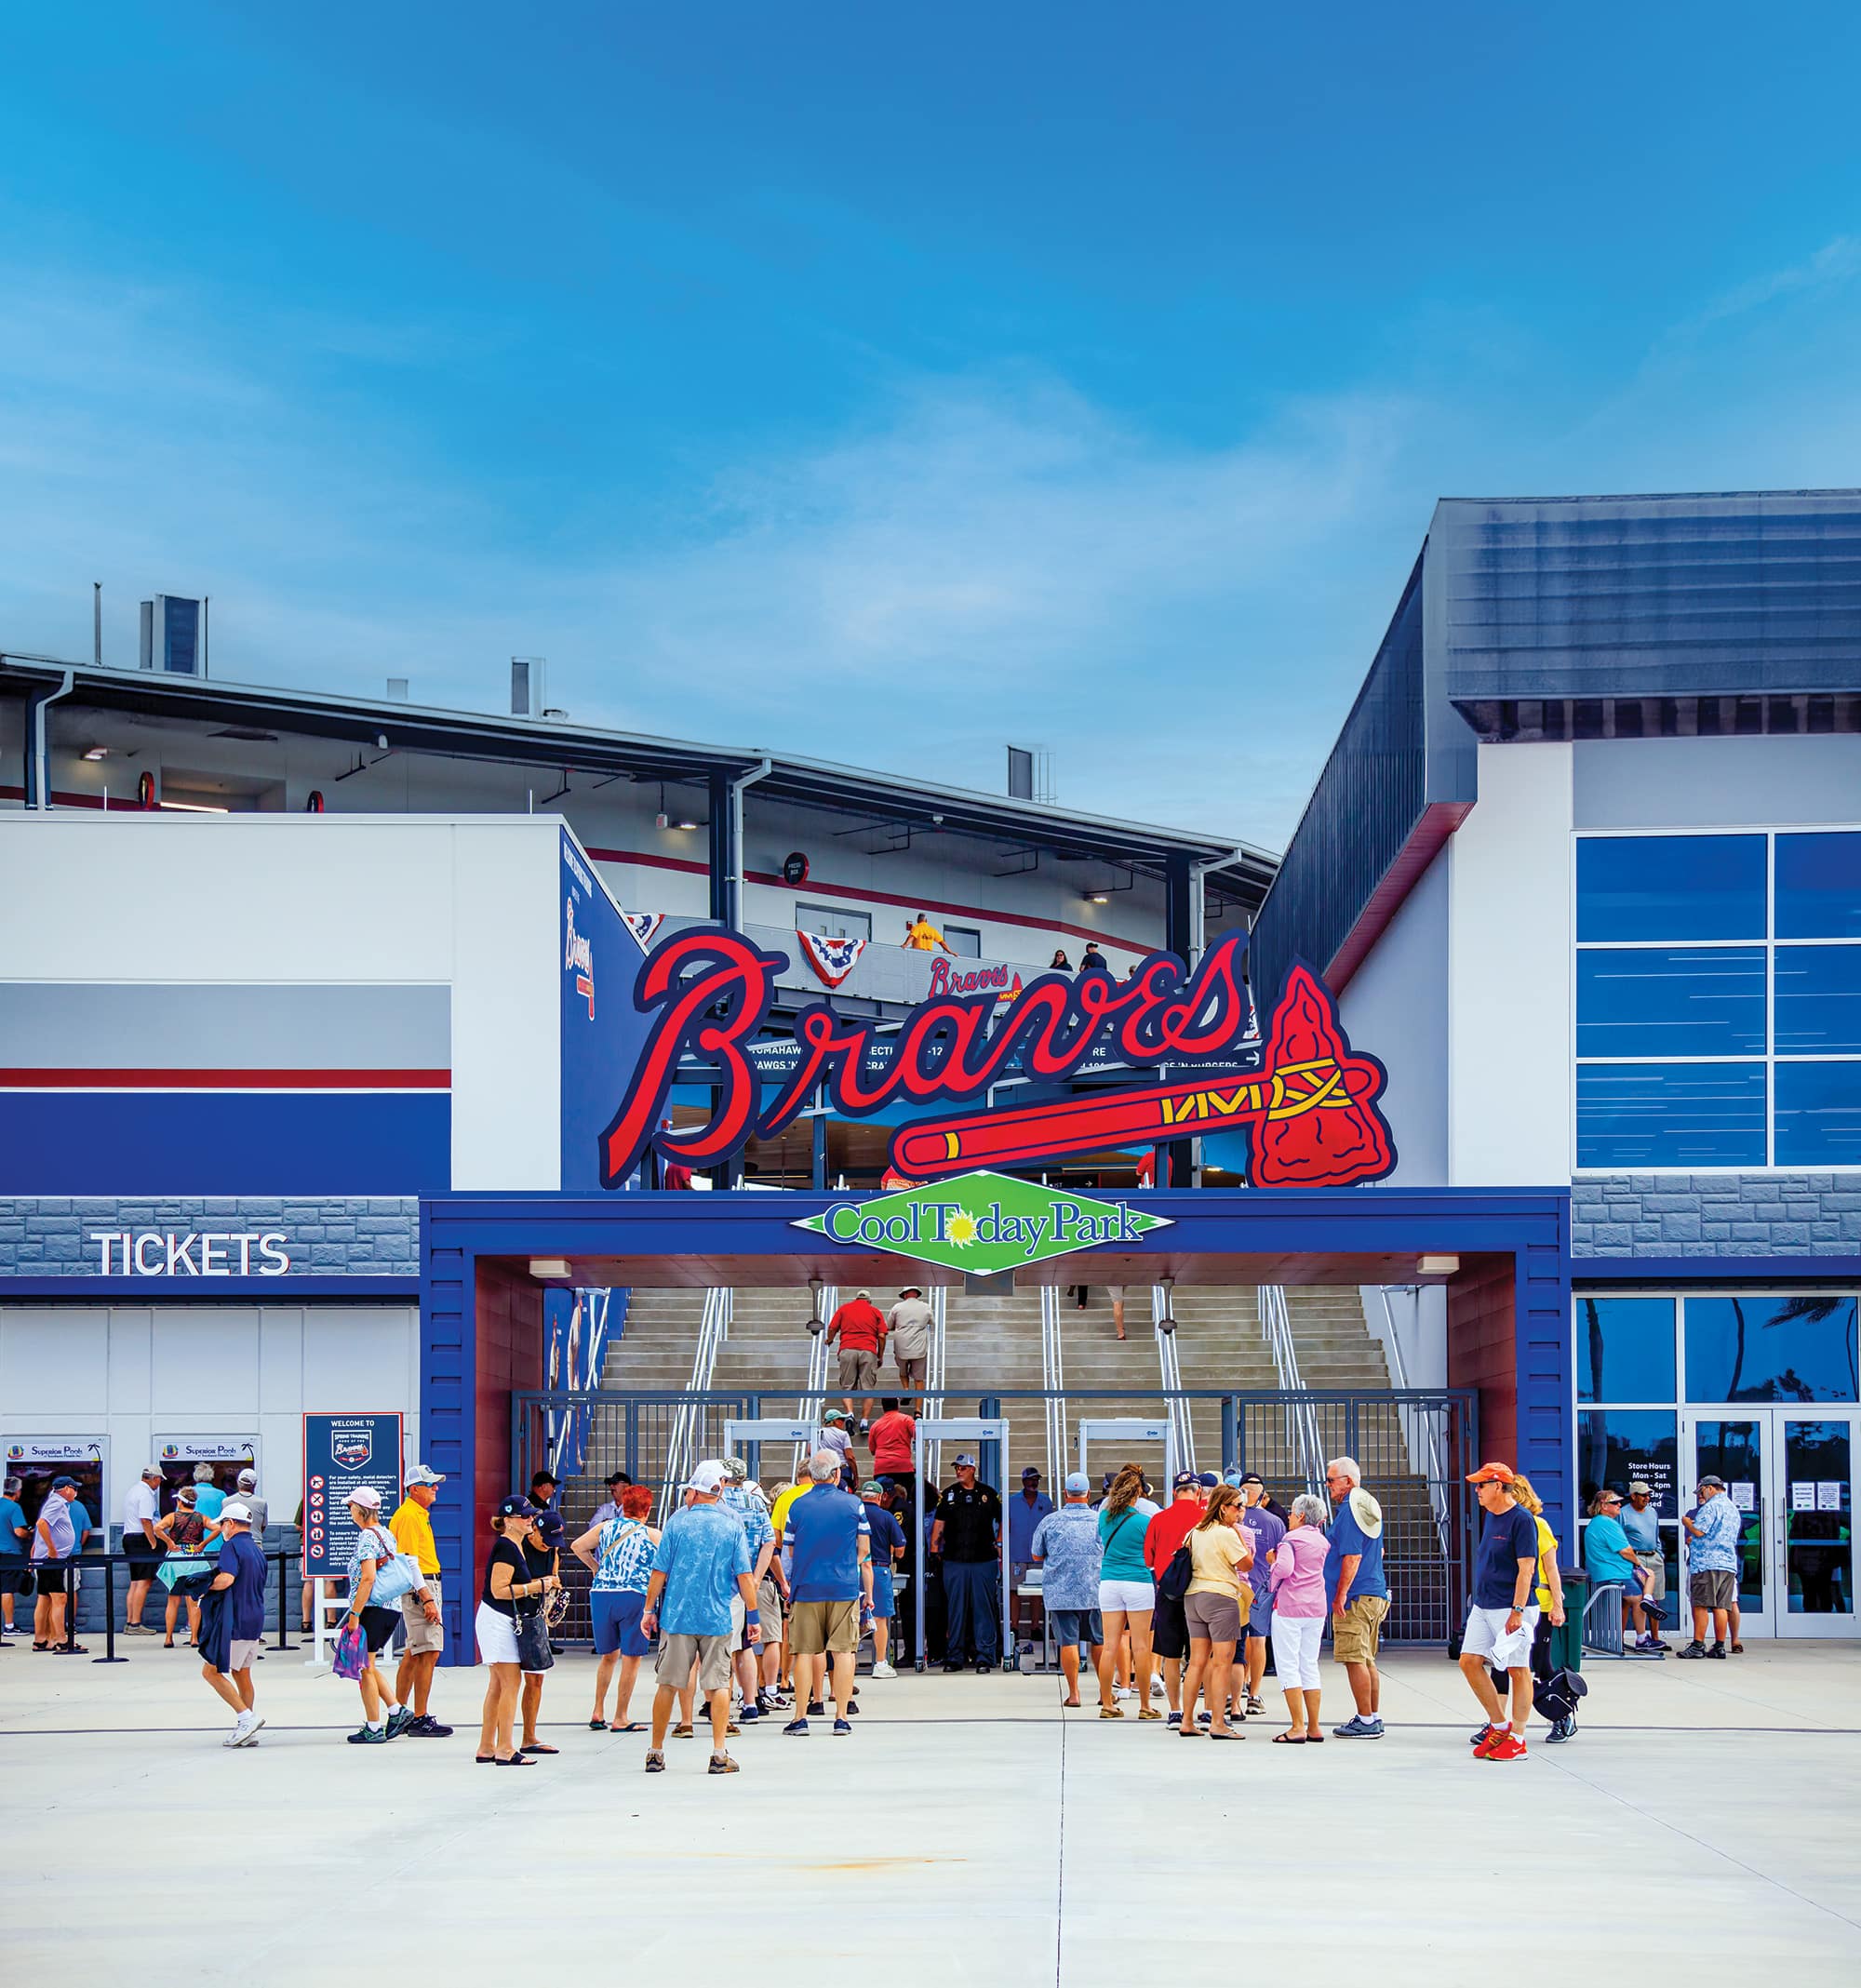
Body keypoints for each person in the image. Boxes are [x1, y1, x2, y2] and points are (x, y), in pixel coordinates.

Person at [640, 1461, 760, 1775]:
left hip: (678, 1617)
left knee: (667, 1683)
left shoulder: (676, 1524)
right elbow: (745, 1576)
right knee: (719, 1684)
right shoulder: (732, 1527)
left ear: (695, 1492)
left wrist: (649, 1609)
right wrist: (754, 1614)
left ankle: (656, 1752)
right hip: (717, 1617)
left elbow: (659, 1571)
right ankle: (719, 1754)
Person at [783, 1452, 873, 1736]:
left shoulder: (797, 1506)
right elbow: (864, 1549)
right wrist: (849, 1566)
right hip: (843, 1587)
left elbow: (792, 1550)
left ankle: (800, 1716)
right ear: (835, 1474)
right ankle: (842, 1716)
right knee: (844, 1651)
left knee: (805, 1652)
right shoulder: (853, 1504)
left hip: (807, 1586)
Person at [1459, 1463, 1543, 1760]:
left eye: (1481, 1485)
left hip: (1512, 1606)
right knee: (1469, 1661)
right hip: (1485, 1604)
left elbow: (1527, 1568)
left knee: (1518, 1671)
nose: (1477, 1491)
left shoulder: (1521, 1520)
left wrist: (1517, 1611)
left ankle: (1518, 1739)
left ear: (1498, 1486)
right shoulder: (1491, 1517)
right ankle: (1499, 1725)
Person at [341, 1484, 435, 1743]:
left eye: (351, 1507)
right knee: (368, 1665)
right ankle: (396, 1710)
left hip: (372, 1608)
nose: (349, 1511)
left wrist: (354, 1613)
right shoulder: (386, 1534)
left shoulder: (366, 1537)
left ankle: (374, 1726)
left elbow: (368, 1578)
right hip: (390, 1608)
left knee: (364, 1668)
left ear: (359, 1510)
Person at [571, 1483, 659, 1731]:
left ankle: (598, 1711)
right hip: (633, 1595)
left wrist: (595, 1567)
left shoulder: (605, 1527)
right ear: (647, 1509)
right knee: (631, 1658)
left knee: (608, 1656)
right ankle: (621, 1716)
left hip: (601, 1595)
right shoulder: (652, 1535)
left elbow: (577, 1546)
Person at [475, 1497, 555, 1766]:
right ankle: (505, 1748)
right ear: (508, 1520)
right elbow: (498, 1589)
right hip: (498, 1619)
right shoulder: (506, 1548)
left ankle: (487, 1746)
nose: (531, 1519)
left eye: (531, 1515)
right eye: (525, 1516)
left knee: (497, 1685)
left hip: (498, 1619)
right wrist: (537, 1586)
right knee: (510, 1683)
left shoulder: (514, 1546)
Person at [1178, 1483, 1252, 1739]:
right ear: (1223, 1508)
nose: (1240, 1511)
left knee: (1196, 1662)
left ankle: (1186, 1720)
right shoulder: (1226, 1533)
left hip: (1194, 1597)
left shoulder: (1195, 1531)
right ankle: (1218, 1722)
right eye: (1237, 1506)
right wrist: (1238, 1533)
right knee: (1222, 1662)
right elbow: (1247, 1563)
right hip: (1221, 1597)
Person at [1325, 1456, 1389, 1738]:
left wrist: (1340, 1595)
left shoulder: (1349, 1513)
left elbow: (1352, 1556)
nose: (1327, 1485)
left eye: (1331, 1480)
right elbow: (1380, 1552)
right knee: (1367, 1659)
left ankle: (1365, 1720)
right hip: (1373, 1592)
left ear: (1347, 1481)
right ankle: (1371, 1716)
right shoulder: (1366, 1509)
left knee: (1354, 1659)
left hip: (1356, 1597)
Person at [387, 1463, 451, 1737]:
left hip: (422, 1584)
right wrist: (426, 1597)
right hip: (422, 1585)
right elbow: (410, 1560)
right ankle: (420, 1717)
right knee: (429, 1651)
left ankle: (400, 1712)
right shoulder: (411, 1516)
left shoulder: (416, 1513)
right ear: (414, 1489)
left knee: (415, 1652)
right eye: (430, 1484)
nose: (435, 1488)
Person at [196, 1500, 267, 1747]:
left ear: (230, 1523)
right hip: (255, 1617)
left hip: (235, 1617)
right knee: (242, 1673)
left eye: (223, 1523)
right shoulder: (257, 1549)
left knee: (211, 1671)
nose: (222, 1529)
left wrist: (204, 1588)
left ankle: (246, 1717)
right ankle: (248, 1728)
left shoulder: (231, 1547)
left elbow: (226, 1579)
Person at [1030, 1473, 1104, 1706]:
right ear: (1088, 1494)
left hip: (1061, 1591)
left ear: (1065, 1494)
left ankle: (1074, 1694)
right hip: (1095, 1589)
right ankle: (1105, 1693)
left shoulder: (1050, 1521)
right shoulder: (1100, 1520)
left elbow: (1036, 1554)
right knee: (1099, 1640)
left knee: (1069, 1642)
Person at [1509, 1474, 1573, 1741]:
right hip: (1514, 1604)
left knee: (1540, 1662)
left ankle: (1562, 1715)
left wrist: (1557, 1604)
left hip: (1541, 1604)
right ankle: (1498, 1722)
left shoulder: (1537, 1525)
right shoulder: (1506, 1524)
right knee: (1504, 1663)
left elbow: (1551, 1568)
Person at [1094, 1462, 1159, 1718]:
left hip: (1109, 1582)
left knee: (1110, 1645)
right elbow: (1152, 1555)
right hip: (1138, 1581)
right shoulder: (1145, 1521)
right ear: (1137, 1494)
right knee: (1141, 1646)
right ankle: (1144, 1705)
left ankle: (1107, 1703)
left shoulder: (1103, 1517)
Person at [1268, 1493, 1332, 1742]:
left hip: (1290, 1607)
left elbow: (1284, 1569)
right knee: (1309, 1664)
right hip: (1316, 1607)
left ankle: (1297, 1726)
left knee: (1288, 1665)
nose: (1289, 1517)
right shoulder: (1321, 1541)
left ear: (1301, 1515)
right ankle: (1314, 1726)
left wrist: (1273, 1566)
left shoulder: (1290, 1540)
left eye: (1292, 1513)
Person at [930, 1453, 1003, 1672]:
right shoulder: (949, 1494)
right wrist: (934, 1550)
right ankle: (955, 1656)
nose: (958, 1471)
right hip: (955, 1560)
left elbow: (1003, 1520)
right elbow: (939, 1524)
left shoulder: (988, 1494)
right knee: (955, 1610)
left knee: (984, 1609)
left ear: (972, 1469)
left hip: (983, 1560)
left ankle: (985, 1656)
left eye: (962, 1467)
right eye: (957, 1467)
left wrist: (999, 1545)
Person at [1144, 1472, 1206, 1722]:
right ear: (1198, 1491)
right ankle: (1203, 1710)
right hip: (1199, 1591)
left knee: (1170, 1655)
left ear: (1173, 1492)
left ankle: (1175, 1710)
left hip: (1168, 1593)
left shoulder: (1158, 1519)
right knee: (1200, 1656)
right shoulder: (1205, 1518)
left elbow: (1148, 1559)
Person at [719, 1456, 777, 1719]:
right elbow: (769, 1542)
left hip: (723, 1586)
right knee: (746, 1647)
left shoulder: (717, 1503)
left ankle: (723, 1705)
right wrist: (755, 1578)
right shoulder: (755, 1502)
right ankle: (751, 1703)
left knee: (724, 1648)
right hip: (749, 1585)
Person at [517, 1485, 563, 1751]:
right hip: (514, 1615)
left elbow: (553, 1577)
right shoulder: (519, 1547)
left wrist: (553, 1589)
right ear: (534, 1529)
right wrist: (543, 1583)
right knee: (508, 1681)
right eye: (545, 1540)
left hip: (536, 1616)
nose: (549, 1546)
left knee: (536, 1677)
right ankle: (499, 1739)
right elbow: (513, 1583)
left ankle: (529, 1736)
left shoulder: (552, 1549)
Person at [1680, 1474, 1742, 1659]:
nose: (1701, 1495)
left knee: (1700, 1604)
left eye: (1701, 1491)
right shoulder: (1732, 1508)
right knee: (1721, 1606)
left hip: (1707, 1563)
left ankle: (1698, 1645)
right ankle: (1720, 1646)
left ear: (1710, 1488)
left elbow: (1699, 1531)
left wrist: (1687, 1524)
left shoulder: (1711, 1507)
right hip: (1727, 1563)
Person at [1238, 1474, 1286, 1716]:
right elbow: (1281, 1558)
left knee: (1232, 1643)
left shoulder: (1230, 1519)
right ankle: (1254, 1695)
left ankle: (1233, 1696)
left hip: (1234, 1588)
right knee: (1258, 1641)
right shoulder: (1274, 1521)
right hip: (1261, 1589)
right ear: (1262, 1494)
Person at [1583, 1489, 1655, 1645]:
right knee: (1637, 1599)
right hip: (1616, 1573)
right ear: (1603, 1505)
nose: (1619, 1505)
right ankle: (1642, 1638)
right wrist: (1637, 1563)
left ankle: (1648, 1600)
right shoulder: (1607, 1523)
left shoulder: (1596, 1522)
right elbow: (1625, 1550)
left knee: (1649, 1575)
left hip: (1606, 1572)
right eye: (1614, 1503)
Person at [151, 1486, 209, 1649]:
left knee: (173, 1600)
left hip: (177, 1560)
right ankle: (194, 1638)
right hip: (195, 1559)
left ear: (180, 1501)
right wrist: (203, 1543)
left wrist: (169, 1542)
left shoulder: (172, 1517)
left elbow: (157, 1528)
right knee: (194, 1601)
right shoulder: (200, 1517)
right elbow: (217, 1528)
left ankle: (169, 1638)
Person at [30, 1474, 83, 1653]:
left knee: (44, 1598)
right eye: (75, 1488)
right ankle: (61, 1640)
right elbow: (42, 1524)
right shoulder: (57, 1502)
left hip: (44, 1558)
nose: (76, 1492)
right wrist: (52, 1550)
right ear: (67, 1488)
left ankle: (41, 1640)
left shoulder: (54, 1502)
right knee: (60, 1598)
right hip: (51, 1559)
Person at [860, 1479, 905, 1676]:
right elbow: (901, 1549)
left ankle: (843, 1661)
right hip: (879, 1568)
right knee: (880, 1618)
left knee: (849, 1618)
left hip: (853, 1569)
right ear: (880, 1497)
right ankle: (880, 1663)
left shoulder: (853, 1515)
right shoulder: (887, 1517)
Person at [825, 1288, 888, 1427]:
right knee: (868, 1388)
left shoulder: (844, 1309)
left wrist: (829, 1340)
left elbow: (831, 1328)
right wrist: (880, 1355)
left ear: (856, 1299)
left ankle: (850, 1414)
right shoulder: (875, 1311)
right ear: (869, 1301)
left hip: (847, 1349)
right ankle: (864, 1422)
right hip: (868, 1350)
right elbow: (882, 1336)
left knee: (847, 1386)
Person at [1620, 1480, 1669, 1651]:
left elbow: (1656, 1534)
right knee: (1629, 1599)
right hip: (1635, 1558)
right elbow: (1619, 1539)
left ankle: (1655, 1638)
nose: (1647, 1498)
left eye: (1649, 1495)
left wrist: (1659, 1554)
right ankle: (1620, 1639)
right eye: (1643, 1495)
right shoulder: (1623, 1513)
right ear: (1633, 1496)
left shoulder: (1652, 1512)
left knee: (1654, 1600)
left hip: (1653, 1556)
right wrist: (1629, 1559)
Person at [1008, 1467, 1054, 1648]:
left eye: (1036, 1480)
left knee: (1037, 1592)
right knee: (1014, 1591)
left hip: (1038, 1555)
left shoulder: (1045, 1502)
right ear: (1023, 1482)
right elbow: (1006, 1525)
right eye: (1030, 1480)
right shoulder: (1012, 1501)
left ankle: (1036, 1626)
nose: (1033, 1483)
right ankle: (1014, 1626)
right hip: (1016, 1552)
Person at [120, 1464, 166, 1634]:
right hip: (141, 1539)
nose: (159, 1483)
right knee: (144, 1582)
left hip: (130, 1537)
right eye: (159, 1479)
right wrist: (153, 1542)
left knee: (135, 1582)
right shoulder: (146, 1494)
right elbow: (146, 1521)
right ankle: (135, 1623)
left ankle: (130, 1621)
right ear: (154, 1478)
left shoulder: (133, 1491)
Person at [886, 1288, 933, 1408]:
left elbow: (889, 1325)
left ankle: (906, 1390)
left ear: (905, 1295)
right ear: (917, 1294)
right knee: (919, 1379)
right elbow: (931, 1321)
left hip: (901, 1346)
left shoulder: (897, 1307)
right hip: (919, 1347)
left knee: (903, 1372)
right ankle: (918, 1410)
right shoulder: (926, 1307)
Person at [869, 1397, 918, 1505]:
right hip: (903, 1467)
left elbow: (872, 1450)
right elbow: (918, 1435)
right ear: (898, 1405)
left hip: (882, 1469)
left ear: (883, 1407)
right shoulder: (907, 1420)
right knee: (907, 1502)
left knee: (882, 1502)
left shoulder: (875, 1426)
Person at [0, 1474, 27, 1639]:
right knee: (7, 1590)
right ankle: (9, 1626)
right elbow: (19, 1531)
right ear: (17, 1492)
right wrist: (29, 1534)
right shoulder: (14, 1508)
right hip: (10, 1553)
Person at [190, 1463, 227, 1532]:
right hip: (215, 1538)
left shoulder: (186, 1493)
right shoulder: (221, 1495)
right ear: (211, 1476)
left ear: (195, 1476)